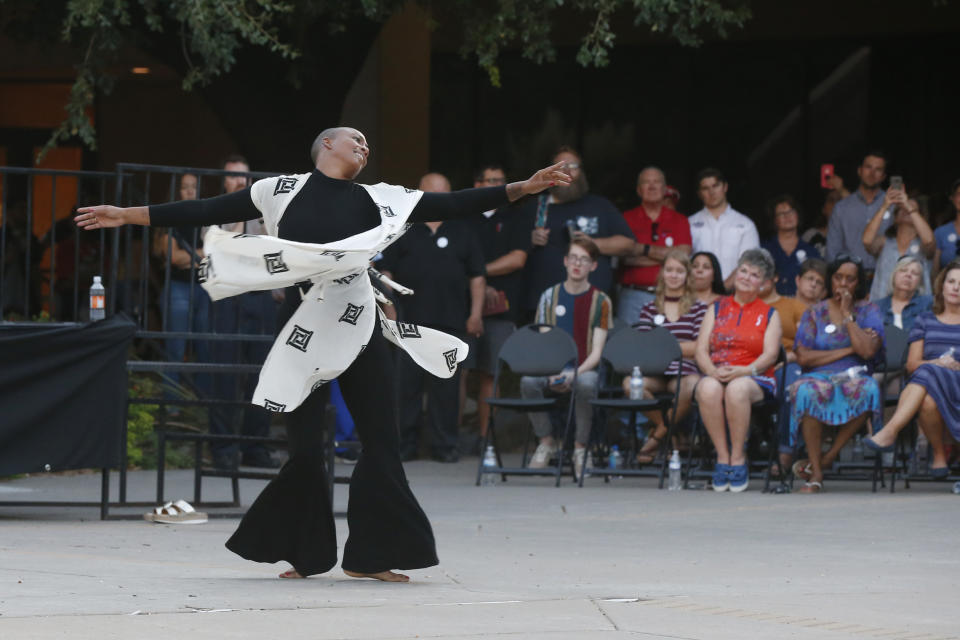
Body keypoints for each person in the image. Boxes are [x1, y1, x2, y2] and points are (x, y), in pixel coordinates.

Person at [76, 126, 570, 583]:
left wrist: (521, 188)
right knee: (307, 450)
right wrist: (127, 215)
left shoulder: (380, 199)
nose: (364, 146)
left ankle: (373, 557)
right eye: (354, 138)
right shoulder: (279, 190)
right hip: (303, 330)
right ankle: (305, 553)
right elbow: (206, 211)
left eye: (367, 143)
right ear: (326, 146)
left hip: (359, 326)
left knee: (381, 441)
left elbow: (457, 201)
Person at [378, 172, 486, 463]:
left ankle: (444, 446)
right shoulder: (403, 228)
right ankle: (404, 447)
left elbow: (477, 276)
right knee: (406, 389)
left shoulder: (463, 230)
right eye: (432, 194)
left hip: (451, 323)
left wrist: (476, 314)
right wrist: (390, 310)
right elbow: (385, 272)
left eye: (443, 194)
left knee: (446, 391)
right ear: (419, 195)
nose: (438, 200)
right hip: (409, 324)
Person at [787, 255, 884, 493]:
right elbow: (804, 357)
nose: (843, 284)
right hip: (818, 376)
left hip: (856, 375)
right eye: (838, 277)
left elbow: (868, 351)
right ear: (830, 279)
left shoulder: (869, 311)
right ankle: (816, 473)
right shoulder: (814, 313)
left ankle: (827, 458)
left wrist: (848, 315)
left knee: (869, 388)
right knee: (806, 391)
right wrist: (850, 349)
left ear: (858, 283)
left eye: (850, 279)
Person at [206, 155, 279, 469]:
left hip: (261, 297)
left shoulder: (263, 212)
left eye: (243, 178)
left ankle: (255, 447)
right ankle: (223, 449)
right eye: (233, 177)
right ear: (224, 181)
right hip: (229, 297)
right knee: (224, 375)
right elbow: (219, 247)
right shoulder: (217, 210)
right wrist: (237, 212)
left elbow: (277, 247)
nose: (239, 182)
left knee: (261, 375)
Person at [521, 237, 613, 479]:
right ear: (564, 261)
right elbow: (545, 344)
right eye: (573, 258)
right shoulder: (549, 297)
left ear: (593, 266)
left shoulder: (601, 301)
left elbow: (597, 353)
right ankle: (547, 441)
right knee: (528, 382)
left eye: (584, 260)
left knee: (587, 384)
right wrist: (553, 371)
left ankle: (581, 449)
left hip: (584, 369)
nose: (577, 264)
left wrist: (574, 373)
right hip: (553, 368)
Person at [694, 249, 782, 492]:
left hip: (755, 377)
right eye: (743, 270)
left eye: (754, 275)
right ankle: (722, 457)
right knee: (707, 387)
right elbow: (701, 349)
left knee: (736, 389)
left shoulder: (769, 314)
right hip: (719, 371)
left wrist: (744, 371)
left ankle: (738, 456)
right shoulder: (717, 308)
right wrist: (711, 371)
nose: (746, 277)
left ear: (763, 284)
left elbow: (771, 355)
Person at [865, 260, 960, 479]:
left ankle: (890, 431)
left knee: (926, 375)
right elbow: (911, 364)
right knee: (927, 394)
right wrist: (938, 364)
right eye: (951, 281)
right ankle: (938, 454)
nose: (956, 287)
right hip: (932, 383)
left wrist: (953, 365)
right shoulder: (925, 319)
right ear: (942, 286)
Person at [520, 146, 635, 319]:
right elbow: (509, 250)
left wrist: (592, 243)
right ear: (549, 173)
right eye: (560, 167)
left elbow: (628, 244)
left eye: (573, 166)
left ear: (582, 172)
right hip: (543, 304)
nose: (567, 171)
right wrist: (529, 240)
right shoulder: (535, 208)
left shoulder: (600, 206)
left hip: (591, 304)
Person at [460, 164, 527, 453]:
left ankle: (486, 441)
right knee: (457, 371)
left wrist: (479, 274)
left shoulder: (517, 214)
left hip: (503, 308)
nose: (497, 185)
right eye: (491, 181)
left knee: (491, 373)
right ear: (477, 185)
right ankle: (451, 438)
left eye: (501, 181)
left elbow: (517, 259)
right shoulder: (461, 215)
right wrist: (477, 281)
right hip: (460, 307)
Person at [627, 249, 705, 464]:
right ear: (662, 273)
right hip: (655, 369)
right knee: (630, 385)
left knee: (690, 387)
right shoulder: (649, 308)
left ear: (687, 276)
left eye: (679, 271)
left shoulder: (698, 308)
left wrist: (664, 345)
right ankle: (672, 434)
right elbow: (643, 344)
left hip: (684, 370)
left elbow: (700, 346)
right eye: (669, 270)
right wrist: (679, 346)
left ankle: (656, 437)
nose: (673, 275)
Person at [152, 172, 211, 405]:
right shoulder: (171, 217)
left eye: (193, 187)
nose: (189, 191)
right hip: (178, 285)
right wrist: (203, 254)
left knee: (206, 347)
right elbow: (173, 257)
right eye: (185, 187)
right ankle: (172, 404)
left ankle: (203, 404)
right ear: (177, 190)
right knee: (175, 347)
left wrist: (188, 256)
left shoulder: (207, 215)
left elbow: (220, 249)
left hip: (205, 287)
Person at [617, 167, 692, 324]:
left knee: (667, 345)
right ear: (639, 190)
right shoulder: (626, 218)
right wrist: (668, 257)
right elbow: (625, 257)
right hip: (632, 295)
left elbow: (683, 256)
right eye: (646, 182)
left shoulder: (680, 220)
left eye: (656, 182)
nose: (651, 186)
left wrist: (643, 250)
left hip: (671, 295)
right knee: (629, 344)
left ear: (665, 189)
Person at [688, 168, 760, 290]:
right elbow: (684, 261)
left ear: (725, 187)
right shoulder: (689, 223)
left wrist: (722, 290)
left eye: (715, 186)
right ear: (700, 194)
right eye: (705, 188)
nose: (712, 192)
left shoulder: (745, 224)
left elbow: (749, 263)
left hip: (735, 295)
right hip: (696, 295)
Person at [863, 183, 935, 302]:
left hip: (916, 308)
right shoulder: (884, 242)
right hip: (882, 305)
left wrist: (908, 204)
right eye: (902, 208)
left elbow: (929, 241)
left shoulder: (923, 244)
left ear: (921, 217)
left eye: (912, 209)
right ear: (895, 217)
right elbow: (866, 240)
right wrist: (885, 206)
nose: (906, 210)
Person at [825, 150, 890, 271]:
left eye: (878, 169)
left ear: (883, 176)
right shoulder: (841, 208)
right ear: (859, 171)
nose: (872, 173)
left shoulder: (892, 204)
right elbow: (832, 251)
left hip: (885, 276)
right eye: (868, 167)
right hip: (850, 278)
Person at [761, 195, 821, 296]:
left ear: (797, 215)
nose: (787, 216)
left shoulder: (811, 252)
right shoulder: (764, 250)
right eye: (781, 214)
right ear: (775, 220)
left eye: (791, 212)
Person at [874, 255, 933, 332]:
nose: (908, 275)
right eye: (903, 270)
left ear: (920, 282)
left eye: (914, 273)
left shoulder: (928, 304)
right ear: (894, 275)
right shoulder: (877, 307)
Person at [802, 180, 847, 257]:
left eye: (839, 200)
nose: (836, 204)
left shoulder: (851, 235)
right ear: (824, 209)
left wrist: (842, 190)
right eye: (831, 200)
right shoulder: (811, 235)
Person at [932, 179, 960, 272]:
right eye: (959, 194)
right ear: (952, 198)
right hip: (948, 284)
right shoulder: (941, 232)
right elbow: (935, 270)